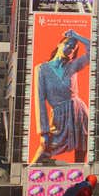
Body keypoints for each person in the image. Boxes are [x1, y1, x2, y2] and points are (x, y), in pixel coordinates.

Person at [31, 29, 90, 164]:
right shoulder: (42, 69)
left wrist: (76, 36)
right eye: (68, 44)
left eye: (73, 48)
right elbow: (40, 101)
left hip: (79, 112)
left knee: (82, 149)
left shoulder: (73, 66)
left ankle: (78, 180)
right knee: (45, 148)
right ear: (59, 44)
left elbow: (95, 51)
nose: (70, 48)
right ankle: (28, 176)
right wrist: (44, 132)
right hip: (59, 117)